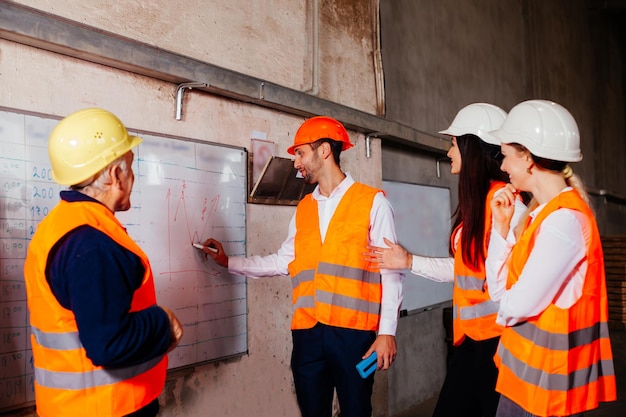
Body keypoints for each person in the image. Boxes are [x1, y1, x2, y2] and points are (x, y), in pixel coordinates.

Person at [199, 116, 404, 417]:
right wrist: (229, 262)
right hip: (308, 336)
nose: (296, 162)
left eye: (300, 153)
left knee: (356, 411)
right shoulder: (304, 207)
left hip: (355, 337)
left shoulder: (372, 203)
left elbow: (392, 272)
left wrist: (387, 332)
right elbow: (284, 260)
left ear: (324, 151)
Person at [366, 103, 526, 417]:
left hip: (500, 344)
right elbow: (464, 271)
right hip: (471, 341)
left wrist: (410, 261)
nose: (449, 152)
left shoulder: (507, 206)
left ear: (473, 147)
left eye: (453, 144)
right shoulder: (479, 205)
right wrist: (408, 261)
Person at [23, 108, 183, 417]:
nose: (132, 177)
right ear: (115, 175)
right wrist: (163, 323)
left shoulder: (61, 226)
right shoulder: (92, 243)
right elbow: (109, 344)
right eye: (131, 168)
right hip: (107, 409)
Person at [485, 99, 617, 417]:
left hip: (543, 391)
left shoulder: (563, 222)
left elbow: (510, 304)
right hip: (525, 382)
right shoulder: (539, 217)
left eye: (505, 156)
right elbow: (501, 295)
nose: (502, 167)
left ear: (528, 158)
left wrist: (505, 303)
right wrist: (500, 230)